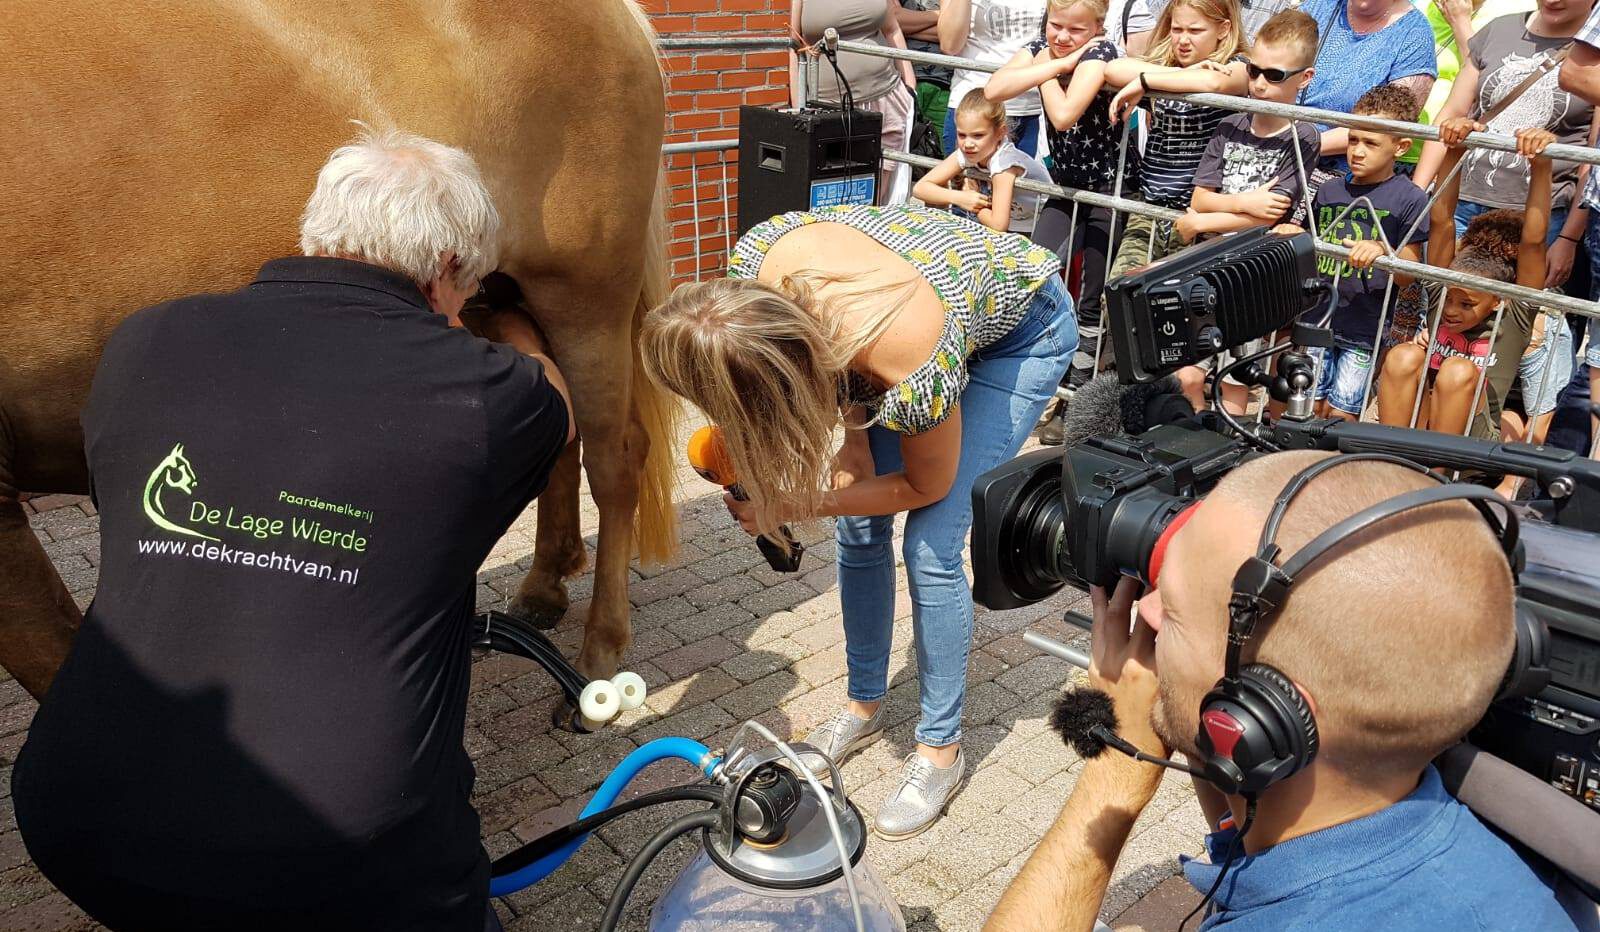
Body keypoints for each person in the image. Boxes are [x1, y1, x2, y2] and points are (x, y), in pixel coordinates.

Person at [12, 128, 574, 931]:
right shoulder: (492, 397)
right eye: (467, 283)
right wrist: (507, 323)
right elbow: (552, 401)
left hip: (75, 820)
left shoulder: (146, 338)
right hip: (342, 857)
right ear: (447, 271)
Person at [986, 450, 1579, 932]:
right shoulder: (1512, 862)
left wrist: (1112, 778)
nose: (1142, 610)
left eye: (1174, 608)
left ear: (1264, 711)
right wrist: (1199, 712)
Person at [641, 204, 1074, 840]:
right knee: (859, 522)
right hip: (905, 320)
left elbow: (926, 483)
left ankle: (938, 749)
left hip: (1018, 331)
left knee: (930, 542)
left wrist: (791, 504)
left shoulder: (906, 356)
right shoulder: (752, 273)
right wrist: (850, 435)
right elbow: (822, 353)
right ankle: (862, 702)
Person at [1172, 9, 1322, 415]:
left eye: (1274, 75)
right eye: (1253, 70)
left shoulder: (1303, 135)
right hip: (1207, 265)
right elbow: (1202, 196)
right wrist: (1240, 203)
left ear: (1303, 78)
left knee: (1236, 383)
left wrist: (1202, 221)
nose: (1258, 83)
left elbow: (1269, 216)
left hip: (1252, 276)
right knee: (1187, 374)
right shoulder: (1230, 124)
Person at [987, 0, 1125, 430]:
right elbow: (993, 89)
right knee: (1037, 270)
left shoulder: (1100, 55)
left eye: (1075, 29)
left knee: (1090, 298)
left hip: (1107, 191)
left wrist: (1048, 63)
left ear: (1098, 29)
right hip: (1065, 187)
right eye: (1055, 25)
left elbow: (1065, 116)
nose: (1062, 36)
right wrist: (1050, 62)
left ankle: (1076, 402)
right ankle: (1034, 377)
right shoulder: (1046, 50)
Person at [1379, 121, 1549, 440]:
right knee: (1404, 355)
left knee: (1457, 370)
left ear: (1498, 299)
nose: (1451, 310)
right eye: (1450, 300)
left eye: (1467, 304)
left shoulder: (1514, 315)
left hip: (1474, 441)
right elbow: (1442, 222)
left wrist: (1541, 165)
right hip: (1425, 422)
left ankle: (1439, 478)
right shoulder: (1444, 290)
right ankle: (1391, 458)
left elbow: (1534, 242)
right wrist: (1454, 148)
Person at [1276, 85, 1431, 422]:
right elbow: (1312, 243)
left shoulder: (1410, 198)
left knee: (1342, 412)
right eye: (1353, 139)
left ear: (1401, 146)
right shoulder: (1330, 189)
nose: (1357, 151)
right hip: (1318, 317)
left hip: (1365, 326)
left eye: (1371, 143)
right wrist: (1295, 237)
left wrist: (1383, 251)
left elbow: (1410, 272)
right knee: (1306, 404)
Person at [1100, 0, 1247, 282]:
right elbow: (1113, 69)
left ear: (1223, 29)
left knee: (1180, 306)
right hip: (1151, 207)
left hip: (1199, 214)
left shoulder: (1238, 65)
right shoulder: (1165, 66)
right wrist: (1173, 75)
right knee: (1121, 291)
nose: (1182, 40)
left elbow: (1215, 84)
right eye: (1176, 29)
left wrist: (1145, 81)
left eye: (1195, 30)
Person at [793, 0, 920, 202]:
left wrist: (910, 85)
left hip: (887, 97)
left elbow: (891, 29)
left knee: (876, 198)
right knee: (830, 192)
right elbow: (794, 47)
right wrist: (798, 107)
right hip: (828, 107)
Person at [1298, 0, 1437, 167]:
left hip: (1344, 172)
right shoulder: (1317, 6)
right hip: (1277, 145)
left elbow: (1392, 123)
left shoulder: (1416, 34)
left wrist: (1300, 146)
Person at [914, 90, 1054, 232]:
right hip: (1013, 224)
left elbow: (999, 225)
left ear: (1000, 132)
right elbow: (920, 188)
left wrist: (976, 207)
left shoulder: (1004, 163)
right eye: (962, 135)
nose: (968, 143)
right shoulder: (969, 152)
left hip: (1039, 227)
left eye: (978, 135)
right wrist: (960, 197)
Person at [938, 0, 1051, 156]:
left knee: (1029, 180)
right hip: (974, 107)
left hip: (1034, 108)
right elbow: (949, 45)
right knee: (966, 180)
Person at [899, 0, 956, 141]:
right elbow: (892, 19)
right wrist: (943, 15)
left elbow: (955, 35)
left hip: (947, 87)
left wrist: (907, 28)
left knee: (942, 153)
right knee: (900, 151)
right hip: (903, 82)